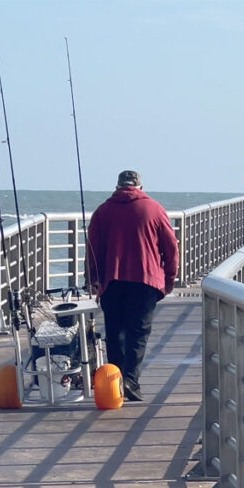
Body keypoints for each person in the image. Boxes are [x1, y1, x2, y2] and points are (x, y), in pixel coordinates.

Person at [87, 170, 179, 401]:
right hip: (146, 281)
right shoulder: (154, 209)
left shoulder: (103, 211)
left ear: (117, 186)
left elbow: (93, 250)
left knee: (115, 331)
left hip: (112, 280)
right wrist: (169, 279)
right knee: (138, 332)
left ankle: (114, 382)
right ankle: (131, 380)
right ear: (140, 186)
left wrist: (93, 280)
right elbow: (171, 248)